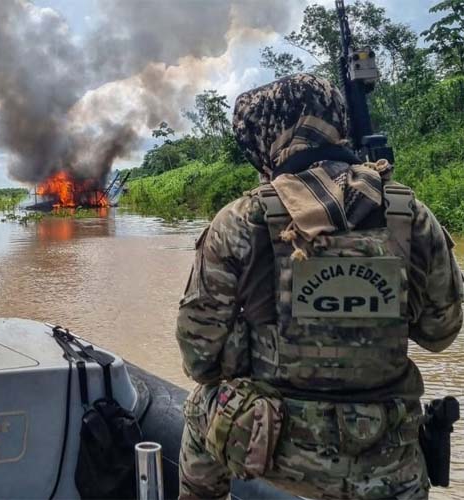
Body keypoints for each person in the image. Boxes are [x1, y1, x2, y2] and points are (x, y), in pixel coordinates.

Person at [176, 74, 463, 500]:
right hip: (388, 460)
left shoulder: (240, 221)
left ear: (269, 135)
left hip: (272, 450)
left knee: (201, 404)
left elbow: (199, 359)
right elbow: (441, 334)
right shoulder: (410, 214)